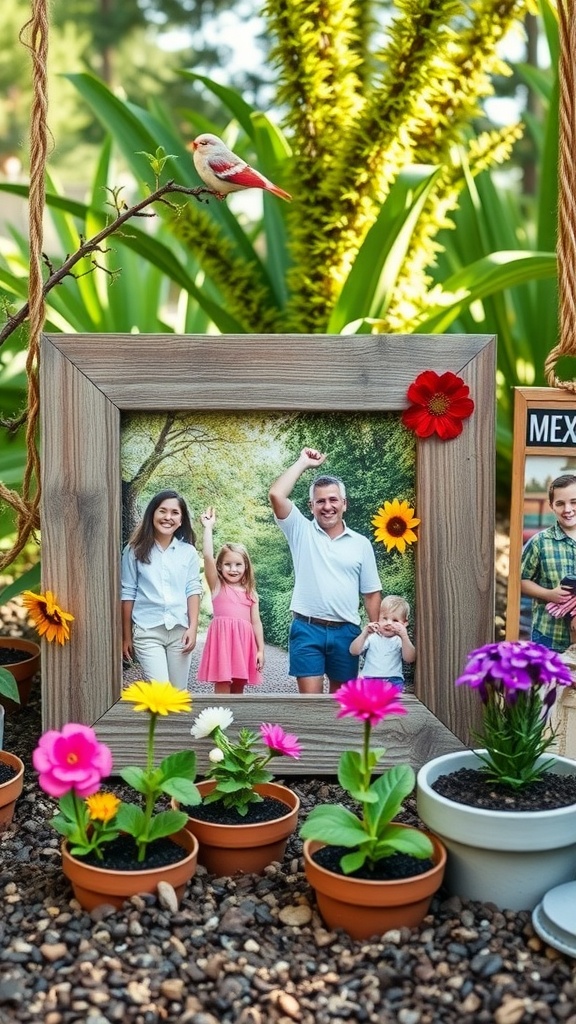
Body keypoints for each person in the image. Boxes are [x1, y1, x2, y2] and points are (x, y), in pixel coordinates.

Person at [269, 446, 382, 694]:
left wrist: (376, 634)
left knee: (341, 707)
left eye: (333, 500)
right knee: (311, 707)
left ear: (344, 504)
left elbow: (371, 593)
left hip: (347, 633)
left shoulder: (361, 544)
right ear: (311, 506)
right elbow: (277, 494)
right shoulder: (300, 530)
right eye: (320, 501)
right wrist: (302, 463)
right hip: (307, 629)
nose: (327, 506)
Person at [121, 490, 202, 689]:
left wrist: (192, 628)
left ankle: (174, 723)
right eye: (162, 511)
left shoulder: (188, 552)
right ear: (152, 515)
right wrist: (126, 636)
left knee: (179, 693)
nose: (168, 517)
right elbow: (127, 592)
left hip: (179, 632)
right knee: (161, 693)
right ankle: (158, 721)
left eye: (175, 513)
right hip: (147, 631)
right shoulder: (133, 550)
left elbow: (193, 589)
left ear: (181, 520)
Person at [197, 507, 264, 694]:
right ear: (219, 566)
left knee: (238, 689)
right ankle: (219, 722)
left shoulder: (251, 592)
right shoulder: (217, 586)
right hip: (223, 644)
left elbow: (256, 623)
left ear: (246, 566)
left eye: (238, 565)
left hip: (244, 645)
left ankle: (234, 722)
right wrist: (208, 528)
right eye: (227, 564)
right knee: (222, 686)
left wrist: (261, 650)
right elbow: (208, 556)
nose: (233, 569)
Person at [521, 474, 576, 652]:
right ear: (551, 506)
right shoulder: (540, 542)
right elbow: (520, 581)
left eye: (574, 502)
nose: (568, 509)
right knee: (547, 680)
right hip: (548, 635)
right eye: (560, 503)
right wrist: (549, 594)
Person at [349, 595, 415, 687]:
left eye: (395, 620)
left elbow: (410, 659)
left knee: (391, 701)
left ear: (404, 623)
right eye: (384, 618)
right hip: (369, 679)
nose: (388, 623)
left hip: (393, 680)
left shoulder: (400, 639)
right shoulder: (372, 636)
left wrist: (404, 636)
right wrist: (364, 633)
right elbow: (353, 651)